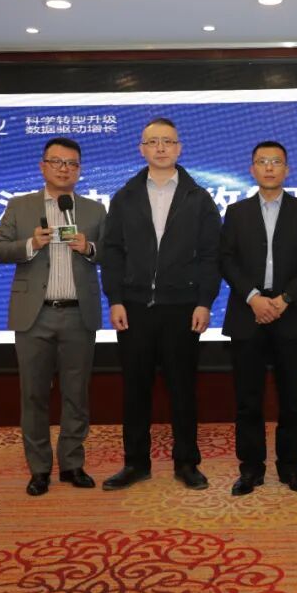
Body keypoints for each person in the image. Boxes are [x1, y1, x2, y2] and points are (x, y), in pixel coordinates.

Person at [99, 118, 221, 491]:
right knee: (135, 390)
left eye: (168, 141)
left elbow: (211, 256)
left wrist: (204, 302)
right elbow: (112, 252)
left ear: (179, 148)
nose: (161, 148)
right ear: (142, 149)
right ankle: (136, 464)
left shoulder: (198, 198)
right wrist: (115, 298)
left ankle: (187, 463)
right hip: (134, 307)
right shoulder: (125, 196)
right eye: (153, 142)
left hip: (182, 307)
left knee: (183, 389)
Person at [0, 137, 106, 496]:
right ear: (43, 166)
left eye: (71, 164)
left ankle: (72, 464)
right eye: (56, 162)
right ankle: (39, 469)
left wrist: (89, 248)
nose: (64, 169)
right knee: (34, 395)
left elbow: (113, 253)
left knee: (76, 395)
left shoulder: (94, 210)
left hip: (78, 315)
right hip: (34, 316)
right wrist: (31, 244)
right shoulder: (20, 206)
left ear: (79, 170)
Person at [220, 141, 297, 496]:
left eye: (276, 162)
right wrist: (253, 298)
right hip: (247, 314)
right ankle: (250, 469)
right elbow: (226, 260)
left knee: (292, 398)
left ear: (287, 169)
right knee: (248, 398)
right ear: (252, 169)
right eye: (262, 162)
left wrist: (284, 299)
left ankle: (291, 467)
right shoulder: (236, 212)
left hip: (289, 314)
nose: (269, 167)